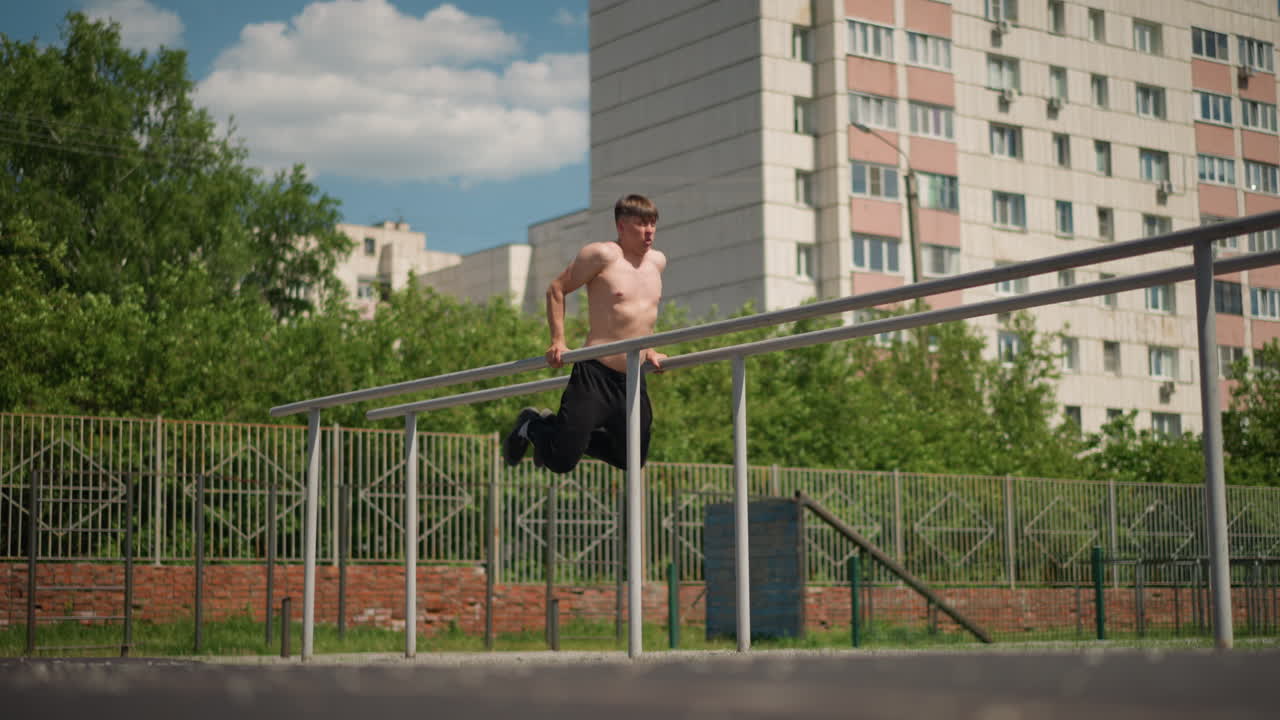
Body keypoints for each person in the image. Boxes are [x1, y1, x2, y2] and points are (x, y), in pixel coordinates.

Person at [503, 194, 668, 473]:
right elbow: (557, 289)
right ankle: (532, 425)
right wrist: (558, 341)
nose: (649, 230)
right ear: (621, 226)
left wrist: (648, 348)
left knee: (632, 458)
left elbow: (643, 310)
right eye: (641, 224)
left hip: (632, 376)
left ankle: (557, 433)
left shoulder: (658, 262)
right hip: (596, 374)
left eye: (653, 223)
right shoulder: (601, 255)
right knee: (560, 461)